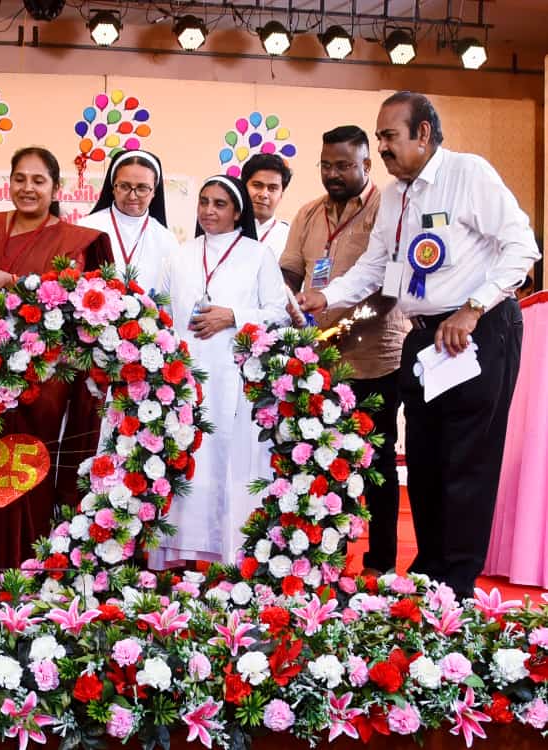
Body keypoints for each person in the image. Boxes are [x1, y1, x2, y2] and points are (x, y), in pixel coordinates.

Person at [298, 91, 540, 598]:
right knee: (426, 457)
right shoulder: (396, 195)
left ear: (423, 134)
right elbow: (375, 267)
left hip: (478, 330)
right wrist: (327, 296)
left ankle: (458, 582)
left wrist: (472, 308)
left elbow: (523, 247)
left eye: (390, 136)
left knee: (466, 460)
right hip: (425, 337)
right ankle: (429, 574)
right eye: (380, 137)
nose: (382, 147)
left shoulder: (468, 174)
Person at [0, 146, 113, 569]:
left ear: (56, 188)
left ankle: (29, 561)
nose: (27, 188)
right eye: (20, 179)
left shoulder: (74, 239)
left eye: (38, 181)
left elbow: (68, 292)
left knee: (33, 461)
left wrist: (15, 282)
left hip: (44, 375)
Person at [279, 125, 409, 576]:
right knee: (321, 457)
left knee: (376, 460)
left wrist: (340, 330)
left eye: (343, 165)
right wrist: (285, 308)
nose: (332, 174)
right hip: (318, 363)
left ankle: (381, 562)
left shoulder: (388, 210)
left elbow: (390, 288)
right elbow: (289, 273)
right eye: (326, 165)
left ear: (366, 165)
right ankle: (325, 558)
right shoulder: (308, 213)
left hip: (376, 359)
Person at [149, 175, 289, 570]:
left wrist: (233, 316)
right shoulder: (180, 254)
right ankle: (180, 555)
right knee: (186, 461)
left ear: (238, 212)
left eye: (220, 204)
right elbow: (159, 311)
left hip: (234, 381)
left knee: (227, 463)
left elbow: (278, 314)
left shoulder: (257, 255)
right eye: (204, 202)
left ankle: (230, 558)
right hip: (185, 379)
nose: (209, 211)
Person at [77, 149, 178, 291]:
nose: (132, 196)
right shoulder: (86, 228)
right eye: (124, 186)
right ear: (113, 187)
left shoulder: (167, 240)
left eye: (142, 188)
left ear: (154, 191)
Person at [241, 153, 292, 259]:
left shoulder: (290, 237)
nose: (264, 194)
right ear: (243, 187)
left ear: (281, 194)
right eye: (257, 185)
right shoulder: (226, 230)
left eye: (272, 188)